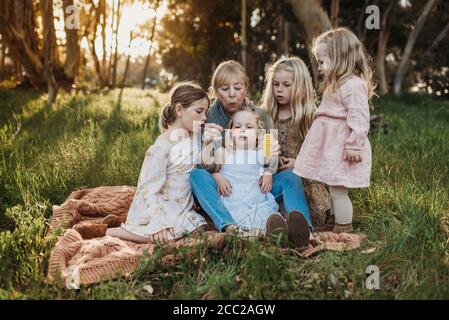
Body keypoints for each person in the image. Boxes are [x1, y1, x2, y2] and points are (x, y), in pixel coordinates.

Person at [293, 28, 375, 233]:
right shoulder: (336, 84)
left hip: (342, 147)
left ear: (339, 58)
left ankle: (344, 226)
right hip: (331, 146)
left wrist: (355, 145)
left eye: (322, 61)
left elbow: (359, 118)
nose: (319, 67)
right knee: (333, 187)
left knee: (338, 190)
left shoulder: (353, 85)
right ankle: (335, 219)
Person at [106, 82, 210, 243]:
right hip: (158, 204)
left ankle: (169, 227)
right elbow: (147, 189)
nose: (204, 117)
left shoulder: (193, 136)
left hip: (181, 205)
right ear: (179, 110)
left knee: (199, 226)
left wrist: (209, 144)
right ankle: (113, 232)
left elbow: (201, 162)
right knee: (165, 237)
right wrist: (161, 223)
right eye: (199, 111)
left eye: (206, 112)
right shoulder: (162, 147)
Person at [261, 56, 331, 229]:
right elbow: (264, 152)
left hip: (307, 181)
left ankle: (301, 228)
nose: (279, 90)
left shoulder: (310, 118)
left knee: (299, 192)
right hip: (275, 180)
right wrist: (272, 162)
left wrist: (298, 163)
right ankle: (283, 226)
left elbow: (324, 157)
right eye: (275, 84)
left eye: (286, 85)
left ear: (300, 86)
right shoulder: (267, 116)